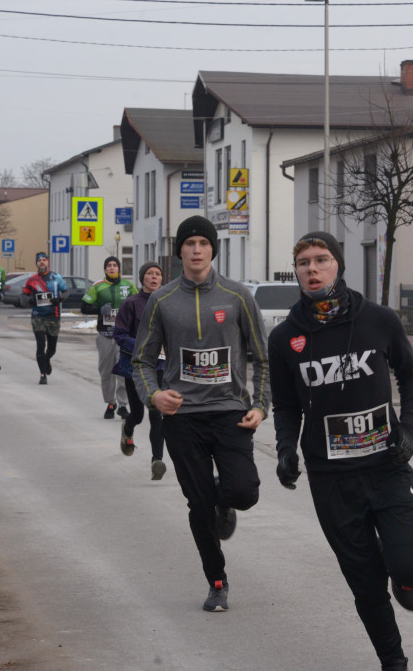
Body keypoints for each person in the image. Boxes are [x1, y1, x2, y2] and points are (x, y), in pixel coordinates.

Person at [268, 232, 413, 671]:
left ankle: (408, 579)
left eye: (321, 260)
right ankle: (393, 661)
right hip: (331, 479)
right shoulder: (285, 338)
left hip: (387, 464)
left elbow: (411, 377)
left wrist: (408, 430)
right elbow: (284, 404)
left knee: (409, 567)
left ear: (338, 265)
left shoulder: (379, 320)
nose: (312, 269)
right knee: (366, 583)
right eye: (303, 263)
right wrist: (285, 450)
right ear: (296, 271)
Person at [132, 215, 269, 613]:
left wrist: (259, 405)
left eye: (203, 244)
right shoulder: (162, 300)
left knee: (243, 492)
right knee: (199, 504)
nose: (196, 250)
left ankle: (226, 500)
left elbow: (262, 357)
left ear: (213, 249)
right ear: (179, 252)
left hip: (230, 412)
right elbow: (141, 360)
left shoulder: (238, 296)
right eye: (189, 243)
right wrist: (154, 397)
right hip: (184, 417)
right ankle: (217, 582)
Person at [112, 262, 166, 478]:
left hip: (160, 365)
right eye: (150, 274)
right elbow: (120, 334)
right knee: (138, 414)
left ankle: (157, 460)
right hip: (135, 365)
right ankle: (128, 428)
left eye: (158, 274)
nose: (154, 277)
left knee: (157, 413)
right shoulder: (131, 303)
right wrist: (143, 347)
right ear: (142, 278)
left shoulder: (167, 303)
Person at [81, 256, 136, 419]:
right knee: (106, 372)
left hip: (124, 337)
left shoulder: (129, 286)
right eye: (109, 266)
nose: (112, 268)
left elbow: (138, 304)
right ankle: (110, 402)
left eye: (115, 265)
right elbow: (84, 307)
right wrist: (99, 309)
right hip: (105, 336)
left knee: (123, 371)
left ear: (119, 268)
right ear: (105, 269)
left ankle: (123, 405)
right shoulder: (97, 287)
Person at [22, 252, 68, 385]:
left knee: (52, 348)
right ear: (36, 263)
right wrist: (29, 300)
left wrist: (59, 299)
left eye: (44, 260)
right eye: (39, 260)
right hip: (38, 316)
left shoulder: (56, 277)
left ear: (48, 262)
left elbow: (66, 291)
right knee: (40, 344)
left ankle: (47, 360)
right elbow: (23, 296)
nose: (41, 262)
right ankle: (42, 374)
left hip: (54, 316)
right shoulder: (32, 280)